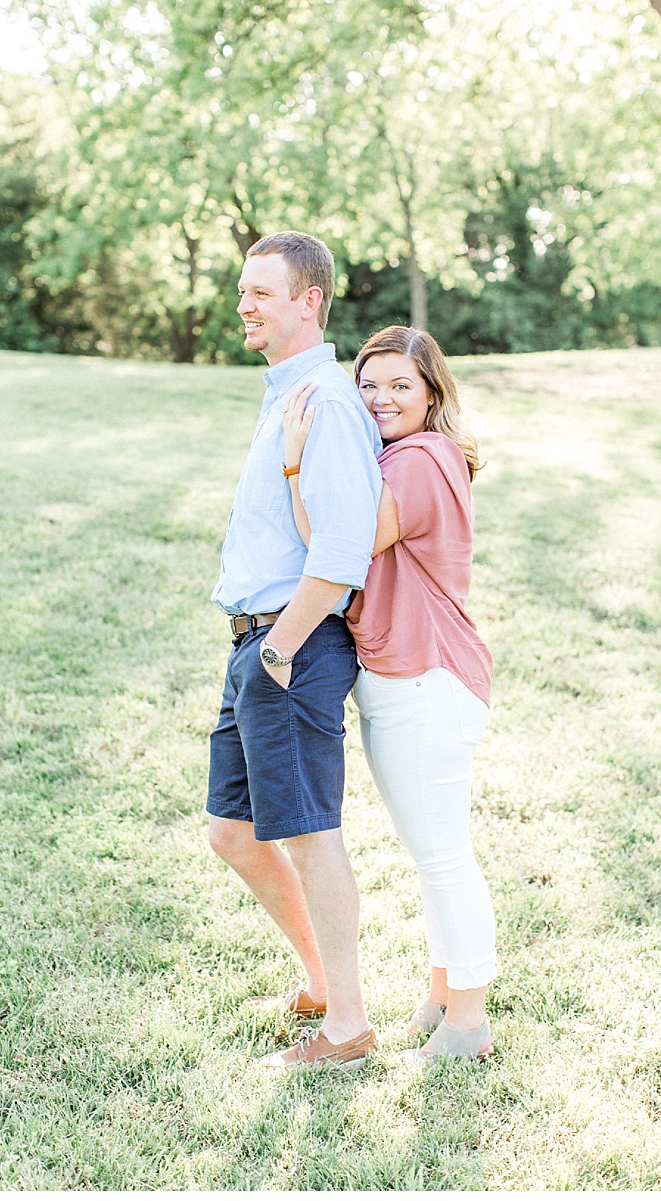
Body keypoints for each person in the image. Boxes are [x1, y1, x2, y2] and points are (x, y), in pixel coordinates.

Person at [281, 324, 497, 1061]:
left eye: (401, 385)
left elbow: (337, 550)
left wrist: (291, 466)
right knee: (429, 852)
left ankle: (468, 1022)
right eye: (368, 384)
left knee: (442, 855)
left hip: (427, 678)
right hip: (404, 675)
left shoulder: (420, 459)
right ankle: (442, 999)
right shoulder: (402, 458)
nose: (380, 398)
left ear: (433, 393)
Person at [204, 230, 383, 1070]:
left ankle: (345, 1029)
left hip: (290, 647)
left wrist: (277, 650)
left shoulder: (329, 403)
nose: (244, 304)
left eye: (261, 292)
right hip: (258, 646)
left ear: (309, 300)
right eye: (242, 290)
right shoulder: (288, 395)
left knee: (310, 835)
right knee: (234, 834)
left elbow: (343, 554)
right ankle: (320, 981)